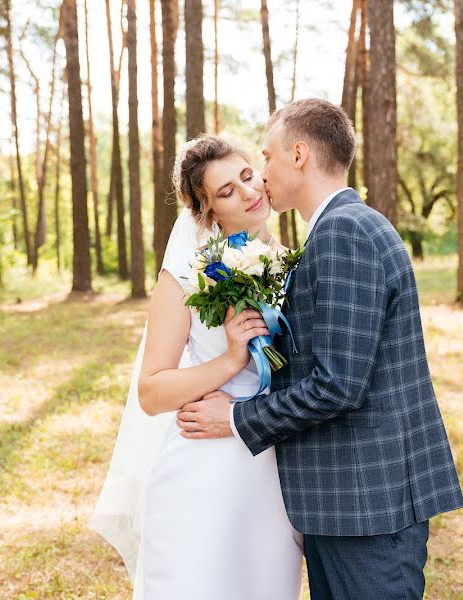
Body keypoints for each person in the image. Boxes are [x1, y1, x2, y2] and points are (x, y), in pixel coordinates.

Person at [178, 99, 463, 600]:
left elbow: (337, 385)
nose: (261, 176)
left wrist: (238, 418)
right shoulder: (338, 229)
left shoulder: (343, 232)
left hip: (369, 505)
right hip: (349, 500)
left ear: (299, 154)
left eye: (265, 158)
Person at [91, 134, 303, 600]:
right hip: (205, 465)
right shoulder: (185, 277)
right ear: (207, 213)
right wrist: (230, 360)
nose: (249, 192)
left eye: (247, 176)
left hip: (273, 470)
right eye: (227, 191)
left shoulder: (292, 264)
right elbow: (152, 392)